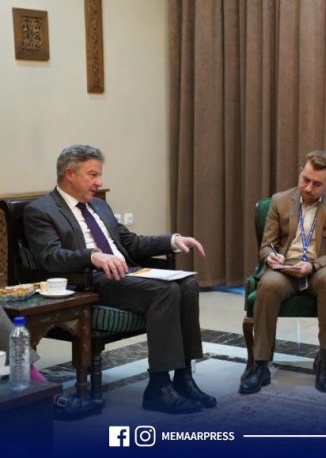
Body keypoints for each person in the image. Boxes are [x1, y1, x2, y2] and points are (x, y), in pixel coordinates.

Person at [23, 144, 216, 414]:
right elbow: (50, 257)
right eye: (92, 175)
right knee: (166, 291)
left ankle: (184, 378)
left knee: (188, 284)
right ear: (69, 173)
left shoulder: (99, 206)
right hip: (90, 281)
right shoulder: (41, 210)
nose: (99, 182)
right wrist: (92, 256)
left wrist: (172, 240)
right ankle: (159, 386)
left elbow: (130, 243)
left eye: (99, 175)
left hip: (125, 274)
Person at [240, 150, 326, 394]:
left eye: (317, 184)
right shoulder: (279, 201)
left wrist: (313, 265)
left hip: (318, 268)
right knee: (268, 285)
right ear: (301, 173)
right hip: (286, 268)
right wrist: (271, 256)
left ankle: (324, 359)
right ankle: (260, 364)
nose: (309, 188)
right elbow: (266, 245)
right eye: (305, 179)